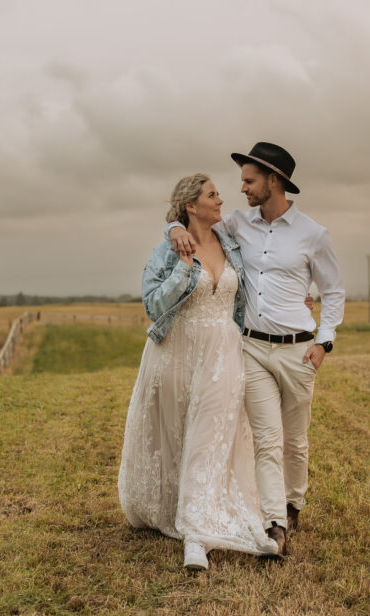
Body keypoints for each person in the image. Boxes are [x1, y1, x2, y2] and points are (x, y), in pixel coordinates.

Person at [167, 142, 345, 557]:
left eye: (249, 180)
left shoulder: (313, 235)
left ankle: (293, 503)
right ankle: (275, 524)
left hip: (298, 351)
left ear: (274, 181)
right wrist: (172, 230)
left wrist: (325, 342)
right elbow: (196, 225)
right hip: (251, 347)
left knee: (295, 441)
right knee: (266, 439)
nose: (242, 188)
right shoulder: (237, 225)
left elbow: (333, 291)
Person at [118, 173, 280, 570]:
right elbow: (154, 306)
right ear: (191, 205)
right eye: (212, 195)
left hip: (224, 352)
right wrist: (182, 267)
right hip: (175, 353)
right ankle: (182, 513)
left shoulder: (230, 239)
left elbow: (262, 272)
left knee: (211, 438)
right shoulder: (167, 251)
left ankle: (196, 534)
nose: (220, 200)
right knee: (179, 435)